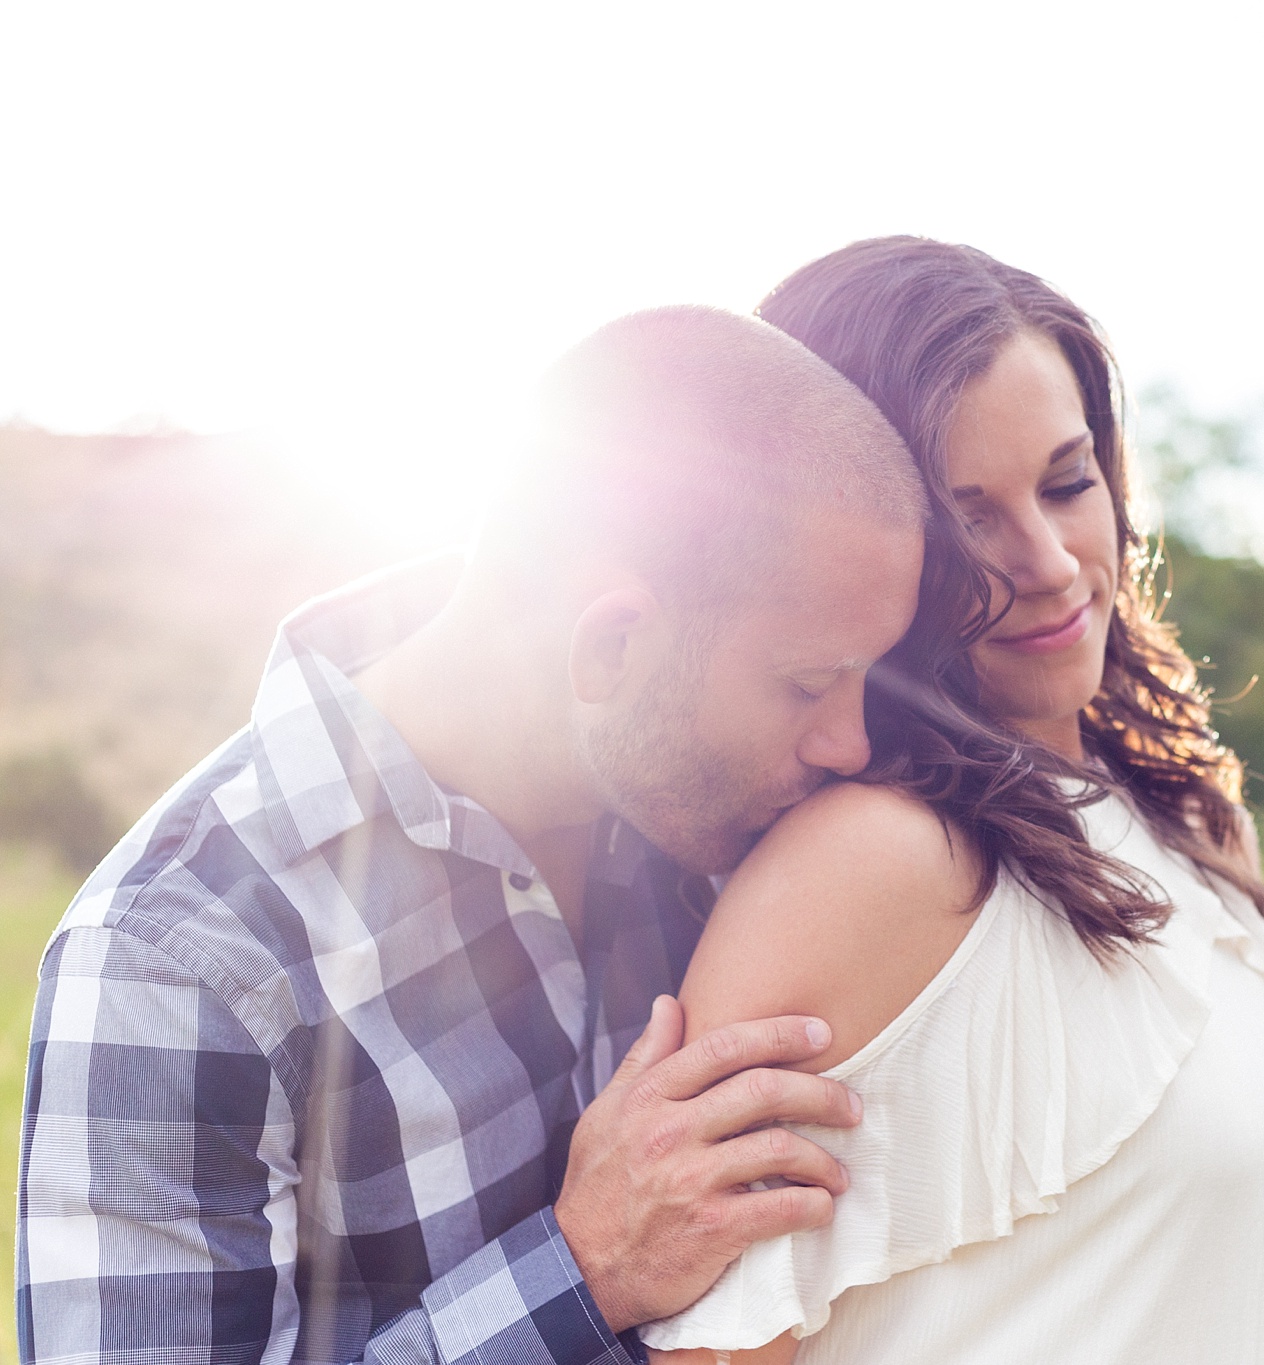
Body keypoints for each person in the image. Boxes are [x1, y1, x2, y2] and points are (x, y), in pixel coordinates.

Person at [16, 307, 929, 1365]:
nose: (852, 743)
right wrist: (583, 1267)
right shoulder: (176, 957)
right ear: (612, 647)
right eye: (810, 684)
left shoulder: (702, 824)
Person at [637, 239, 1264, 1365]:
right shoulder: (869, 869)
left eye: (1068, 482)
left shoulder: (1194, 823)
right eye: (967, 521)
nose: (1052, 564)